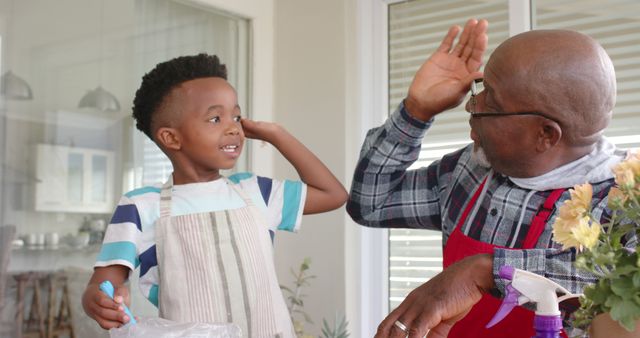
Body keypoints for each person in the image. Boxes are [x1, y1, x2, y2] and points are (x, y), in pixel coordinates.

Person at [347, 19, 632, 338]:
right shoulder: (469, 170)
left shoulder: (625, 198)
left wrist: (484, 271)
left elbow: (618, 285)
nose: (471, 104)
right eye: (480, 87)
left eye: (491, 102)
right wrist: (416, 111)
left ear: (545, 135)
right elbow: (370, 204)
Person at [82, 53, 348, 338]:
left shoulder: (256, 192)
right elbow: (102, 284)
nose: (234, 127)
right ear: (171, 137)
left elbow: (333, 194)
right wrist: (98, 301)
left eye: (236, 116)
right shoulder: (141, 207)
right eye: (215, 118)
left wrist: (277, 134)